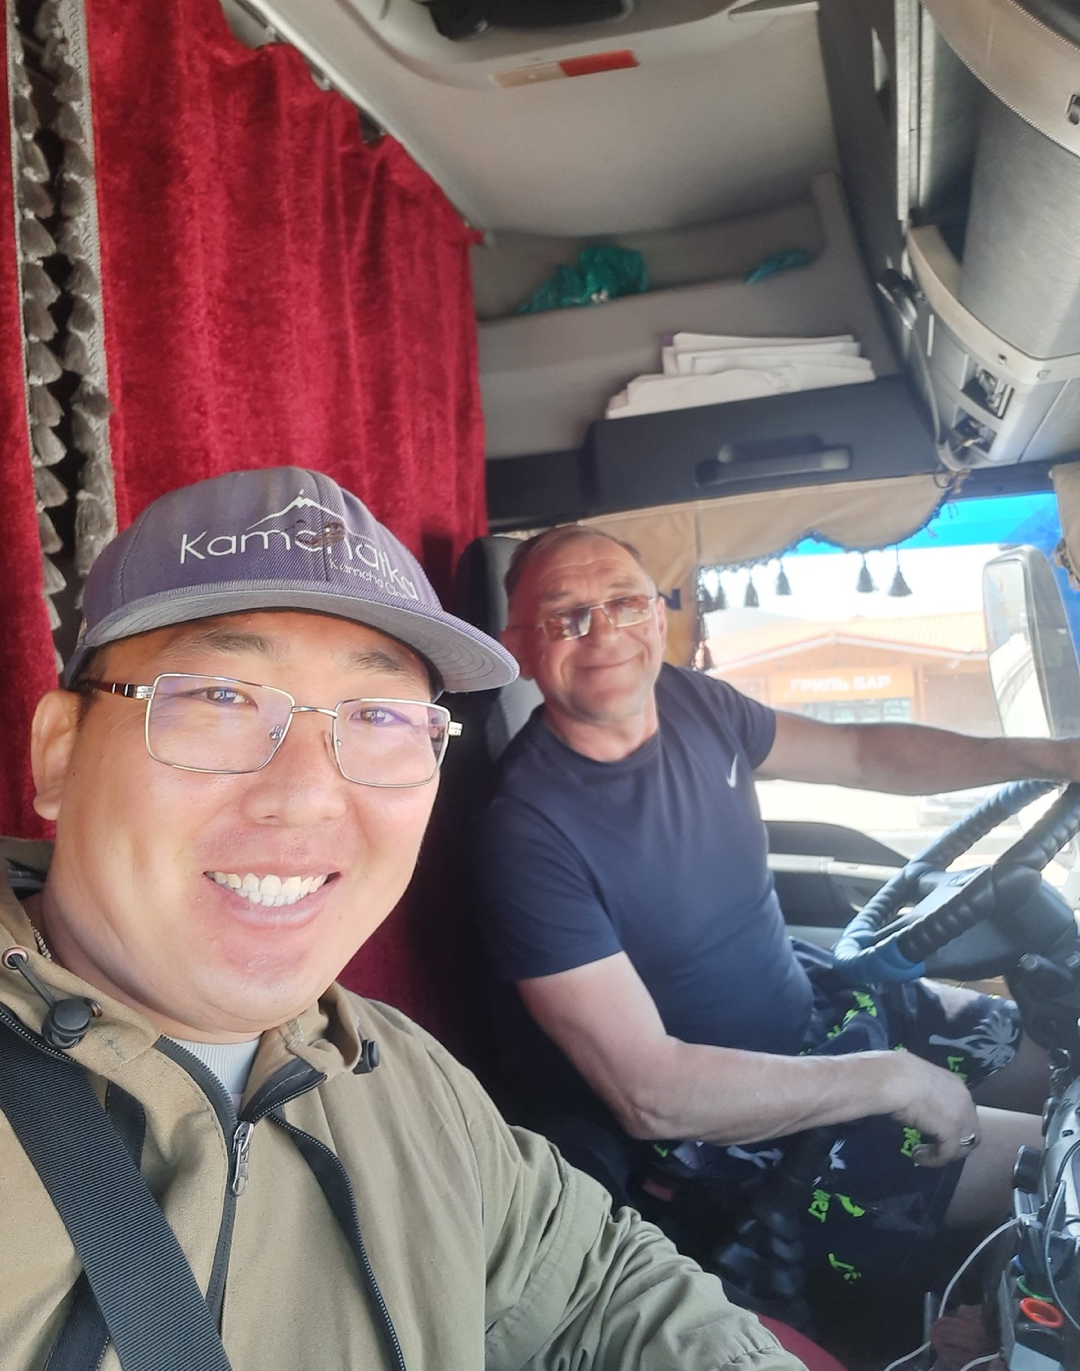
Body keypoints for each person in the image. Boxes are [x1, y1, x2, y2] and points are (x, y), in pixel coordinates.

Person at [0, 468, 809, 1371]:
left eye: (380, 715)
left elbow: (603, 1290)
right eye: (221, 697)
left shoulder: (400, 1071)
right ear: (59, 753)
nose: (308, 796)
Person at [476, 524, 1068, 1303]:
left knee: (1059, 1051)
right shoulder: (525, 833)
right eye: (565, 616)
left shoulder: (689, 700)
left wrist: (1049, 757)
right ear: (517, 648)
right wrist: (890, 1080)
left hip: (823, 1007)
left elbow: (861, 754)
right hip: (731, 1127)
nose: (604, 633)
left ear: (658, 615)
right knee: (1064, 1174)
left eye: (624, 602)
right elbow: (651, 1092)